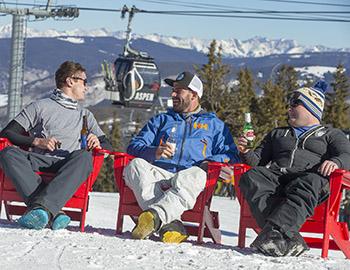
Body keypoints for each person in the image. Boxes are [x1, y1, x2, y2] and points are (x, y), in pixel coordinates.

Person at [124, 71, 240, 243]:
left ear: (193, 95)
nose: (173, 94)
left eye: (179, 90)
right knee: (135, 166)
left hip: (189, 178)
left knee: (197, 174)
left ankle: (156, 218)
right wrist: (154, 151)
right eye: (174, 90)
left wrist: (210, 162)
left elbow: (231, 155)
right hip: (159, 174)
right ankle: (168, 224)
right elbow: (133, 147)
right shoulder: (162, 120)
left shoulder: (214, 125)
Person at [237, 81, 350, 257]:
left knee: (310, 180)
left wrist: (336, 162)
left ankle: (274, 233)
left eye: (295, 104)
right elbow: (257, 162)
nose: (289, 109)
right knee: (251, 176)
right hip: (277, 179)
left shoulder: (331, 135)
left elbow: (347, 154)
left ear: (312, 108)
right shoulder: (278, 133)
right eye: (289, 105)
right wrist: (246, 151)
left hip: (309, 182)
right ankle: (286, 237)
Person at [0, 61, 112, 230]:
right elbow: (7, 133)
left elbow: (107, 145)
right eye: (84, 81)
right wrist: (37, 141)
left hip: (68, 164)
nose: (86, 87)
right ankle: (53, 211)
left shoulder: (85, 115)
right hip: (39, 159)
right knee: (8, 153)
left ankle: (42, 210)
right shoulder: (39, 107)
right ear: (70, 81)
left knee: (84, 157)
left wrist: (97, 141)